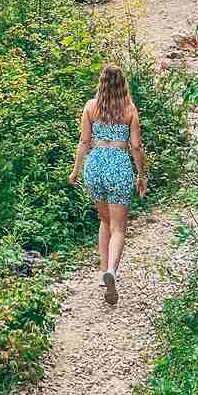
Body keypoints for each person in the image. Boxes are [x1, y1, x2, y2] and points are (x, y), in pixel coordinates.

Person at [68, 63, 147, 305]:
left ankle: (104, 274)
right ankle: (111, 270)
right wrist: (141, 174)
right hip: (118, 167)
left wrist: (74, 172)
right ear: (123, 84)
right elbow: (135, 146)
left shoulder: (91, 107)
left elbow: (83, 141)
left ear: (101, 83)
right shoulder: (129, 110)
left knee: (104, 220)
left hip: (95, 167)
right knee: (119, 228)